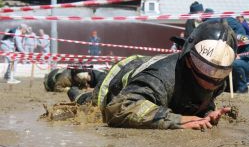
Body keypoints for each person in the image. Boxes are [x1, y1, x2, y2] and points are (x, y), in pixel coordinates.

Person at [68, 19, 237, 130]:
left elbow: (193, 100)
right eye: (205, 68)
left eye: (219, 72)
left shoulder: (217, 81)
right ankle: (71, 83)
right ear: (187, 59)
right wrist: (176, 120)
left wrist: (207, 114)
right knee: (84, 99)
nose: (211, 78)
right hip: (116, 81)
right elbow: (119, 108)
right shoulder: (162, 77)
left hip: (144, 73)